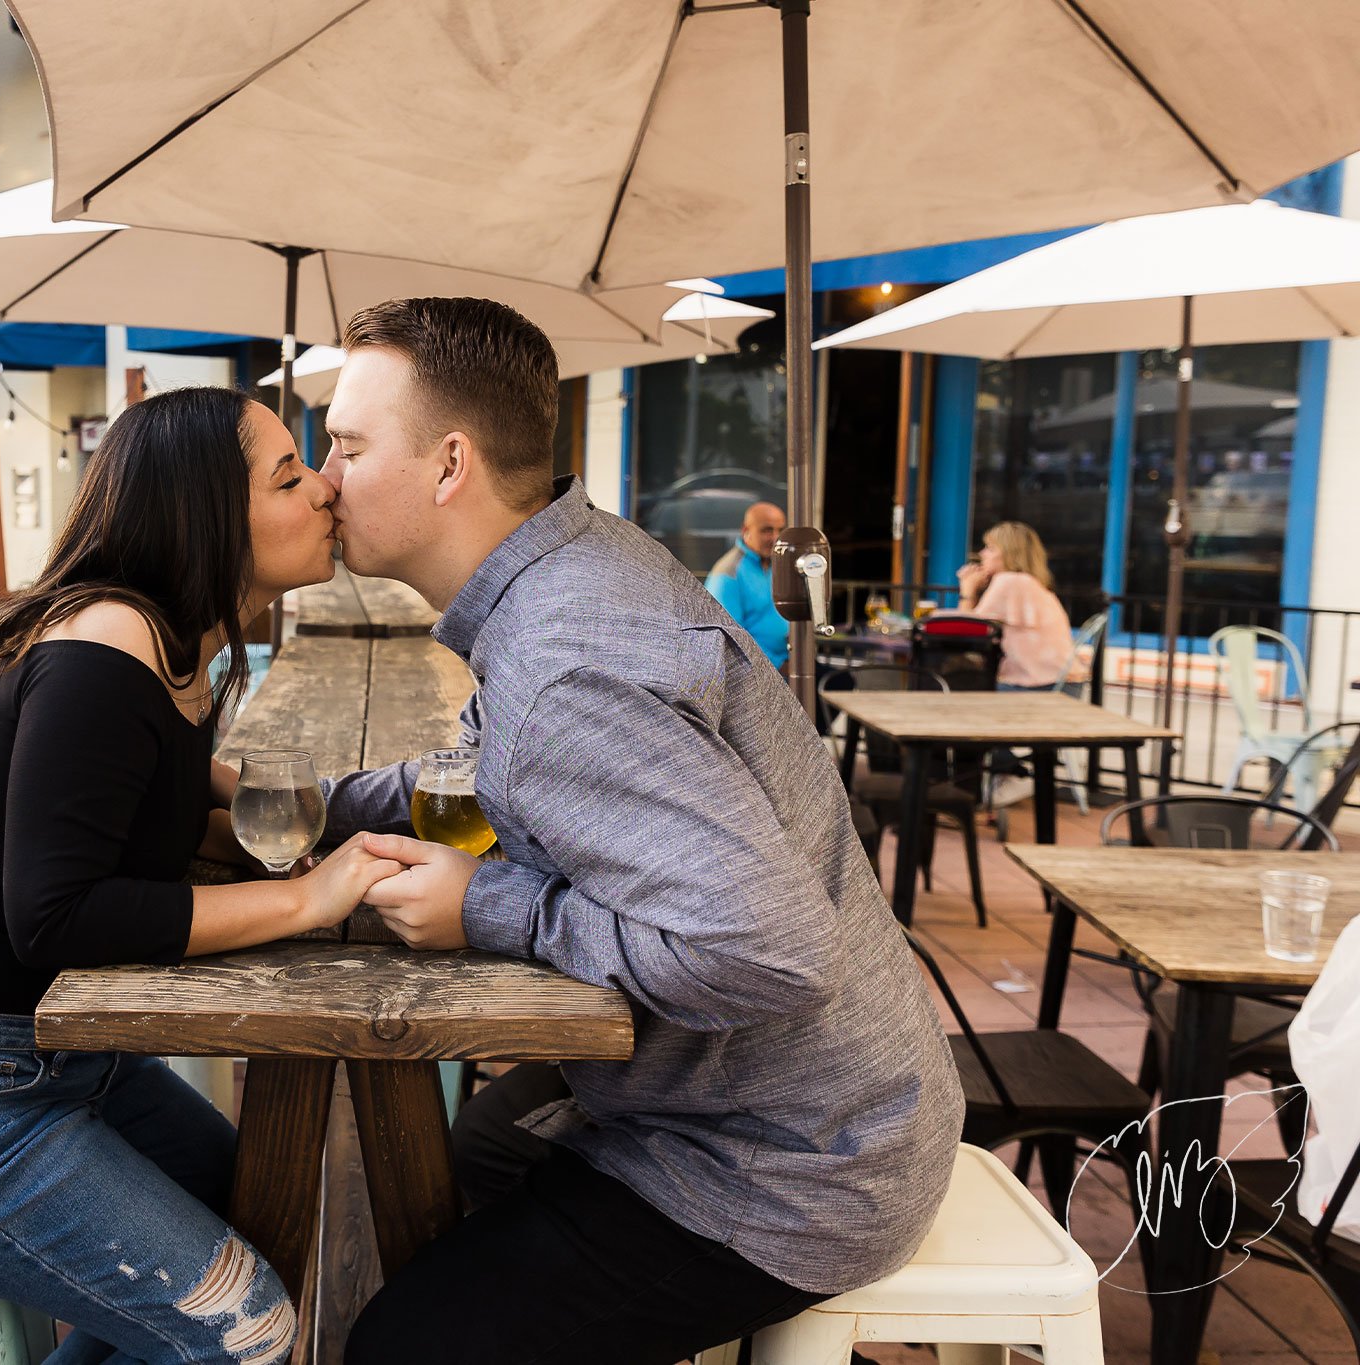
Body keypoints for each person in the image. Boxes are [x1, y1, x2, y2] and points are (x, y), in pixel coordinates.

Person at [301, 298, 964, 1365]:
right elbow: (481, 770)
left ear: (448, 464)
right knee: (476, 1144)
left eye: (345, 443)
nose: (323, 476)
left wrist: (487, 906)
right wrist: (318, 800)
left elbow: (770, 954)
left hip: (795, 1165)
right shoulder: (570, 572)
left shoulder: (566, 662)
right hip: (827, 1102)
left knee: (395, 1345)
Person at [0, 388, 403, 1365]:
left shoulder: (176, 652)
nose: (327, 490)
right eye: (289, 475)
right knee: (247, 1328)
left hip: (46, 1058)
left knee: (248, 1202)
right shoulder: (104, 642)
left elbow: (174, 803)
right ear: (203, 508)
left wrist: (316, 821)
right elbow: (57, 917)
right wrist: (304, 898)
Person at [951, 520, 1077, 808]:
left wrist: (967, 589)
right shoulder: (1029, 583)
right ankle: (996, 777)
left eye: (990, 547)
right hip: (1060, 686)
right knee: (965, 696)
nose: (982, 554)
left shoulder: (1011, 581)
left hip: (1041, 690)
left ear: (1008, 553)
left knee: (958, 706)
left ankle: (1009, 775)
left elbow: (964, 630)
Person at [703, 499, 789, 667]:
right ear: (745, 530)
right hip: (760, 674)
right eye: (767, 530)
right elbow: (729, 641)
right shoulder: (728, 572)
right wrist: (778, 665)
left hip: (787, 660)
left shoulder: (776, 564)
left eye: (780, 530)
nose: (775, 538)